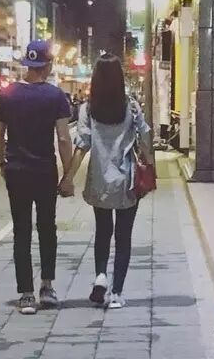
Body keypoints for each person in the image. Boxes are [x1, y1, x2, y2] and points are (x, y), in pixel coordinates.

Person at [59, 53, 152, 309]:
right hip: (127, 181)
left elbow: (82, 146)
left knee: (102, 231)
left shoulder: (88, 109)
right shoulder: (131, 106)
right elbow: (145, 137)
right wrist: (150, 165)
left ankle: (100, 275)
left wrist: (68, 178)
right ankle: (117, 293)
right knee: (123, 236)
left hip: (100, 180)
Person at [0, 40, 73, 315]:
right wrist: (68, 175)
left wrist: (1, 162)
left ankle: (26, 294)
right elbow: (64, 138)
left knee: (21, 230)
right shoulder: (55, 96)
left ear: (28, 64)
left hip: (16, 171)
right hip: (45, 171)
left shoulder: (6, 94)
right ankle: (47, 287)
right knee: (47, 228)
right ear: (48, 65)